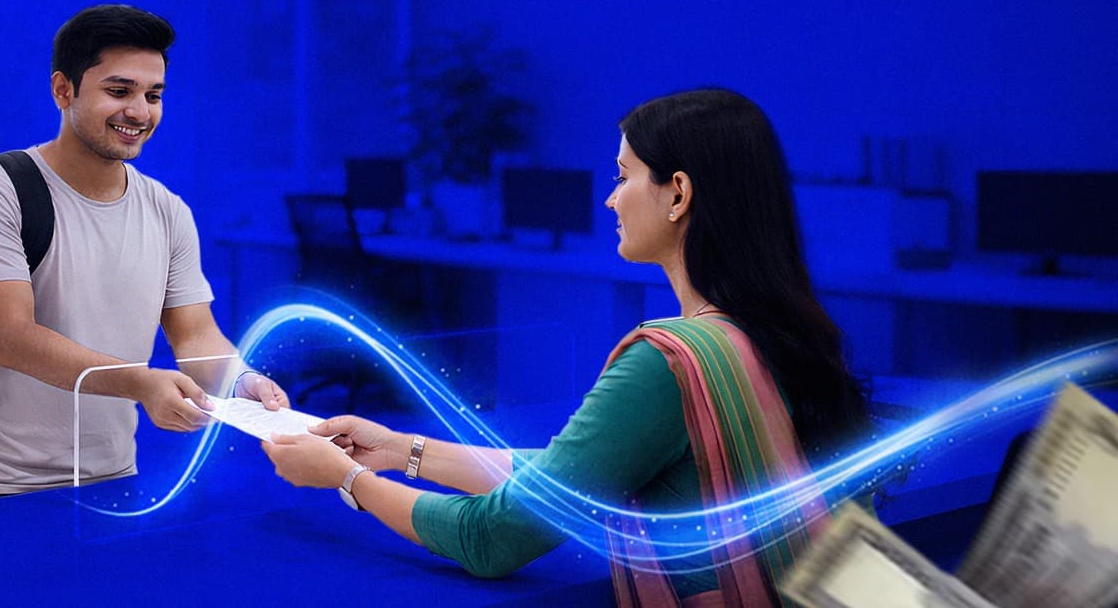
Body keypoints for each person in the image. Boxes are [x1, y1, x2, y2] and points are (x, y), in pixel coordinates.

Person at [262, 88, 870, 606]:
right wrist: (400, 450)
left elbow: (492, 539)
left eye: (624, 176)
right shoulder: (772, 335)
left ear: (678, 194)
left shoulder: (668, 363)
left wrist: (347, 480)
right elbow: (576, 475)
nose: (611, 198)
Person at [0, 3, 287, 504]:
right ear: (63, 90)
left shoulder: (167, 210)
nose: (140, 112)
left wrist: (240, 382)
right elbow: (13, 339)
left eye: (153, 95)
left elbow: (195, 334)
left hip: (116, 479)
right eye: (119, 91)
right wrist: (142, 384)